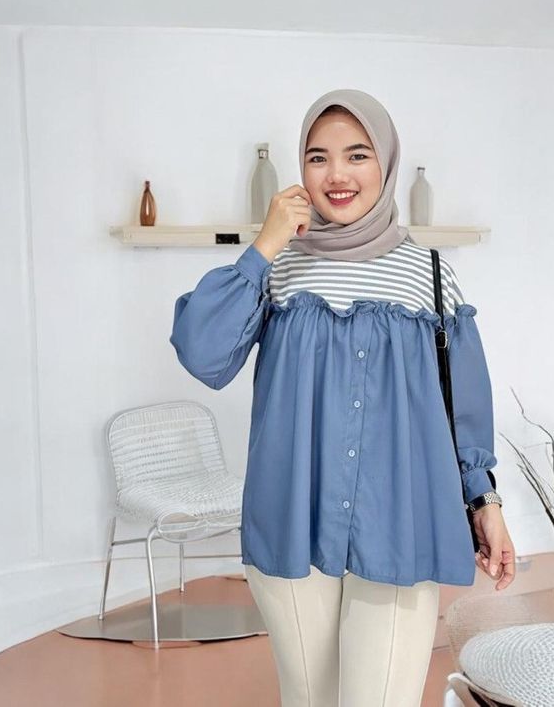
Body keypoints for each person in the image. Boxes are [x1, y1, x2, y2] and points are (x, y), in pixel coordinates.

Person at [170, 89, 516, 707]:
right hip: (293, 517)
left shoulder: (431, 274)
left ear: (385, 162)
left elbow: (463, 406)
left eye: (357, 155)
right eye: (317, 157)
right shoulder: (278, 268)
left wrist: (483, 500)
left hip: (401, 521)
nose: (337, 174)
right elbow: (202, 353)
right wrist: (264, 245)